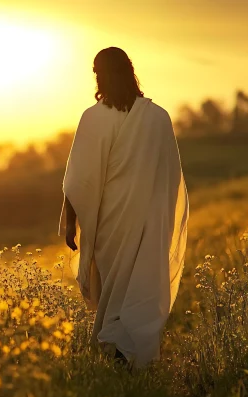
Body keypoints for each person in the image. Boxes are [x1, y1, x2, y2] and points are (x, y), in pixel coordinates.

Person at [59, 47, 189, 369]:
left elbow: (78, 181)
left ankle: (117, 353)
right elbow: (170, 177)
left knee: (112, 289)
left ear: (100, 75)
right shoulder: (158, 117)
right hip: (148, 222)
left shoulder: (95, 117)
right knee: (141, 285)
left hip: (109, 222)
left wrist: (70, 222)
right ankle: (131, 354)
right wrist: (158, 216)